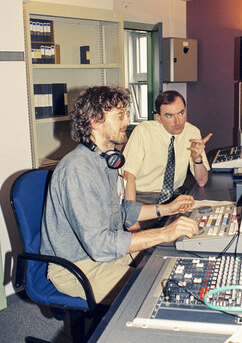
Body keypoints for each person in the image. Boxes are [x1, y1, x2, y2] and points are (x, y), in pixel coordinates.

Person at [40, 86, 198, 305]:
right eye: (120, 115)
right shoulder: (77, 170)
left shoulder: (106, 160)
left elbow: (122, 210)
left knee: (169, 263)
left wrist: (167, 209)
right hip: (78, 266)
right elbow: (100, 245)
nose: (127, 121)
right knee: (160, 291)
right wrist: (164, 232)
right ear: (95, 121)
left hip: (105, 255)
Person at [123, 90, 212, 206]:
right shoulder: (143, 131)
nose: (178, 122)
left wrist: (197, 159)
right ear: (159, 118)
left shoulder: (192, 132)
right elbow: (128, 176)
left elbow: (202, 181)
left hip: (174, 197)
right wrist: (132, 216)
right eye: (169, 116)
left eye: (181, 113)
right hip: (142, 197)